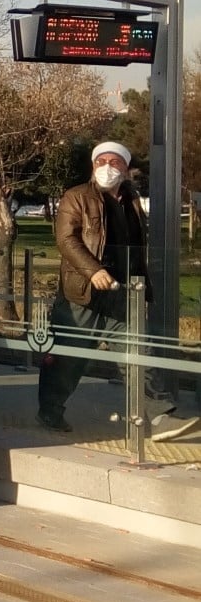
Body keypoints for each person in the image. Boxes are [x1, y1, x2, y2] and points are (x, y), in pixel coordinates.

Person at [37, 141, 199, 441]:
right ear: (92, 166)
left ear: (126, 168)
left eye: (115, 162)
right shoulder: (76, 197)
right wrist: (94, 270)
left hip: (123, 295)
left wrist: (141, 285)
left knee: (139, 356)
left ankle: (161, 417)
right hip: (82, 295)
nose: (107, 167)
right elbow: (66, 240)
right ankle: (50, 409)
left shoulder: (132, 199)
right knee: (69, 361)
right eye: (101, 161)